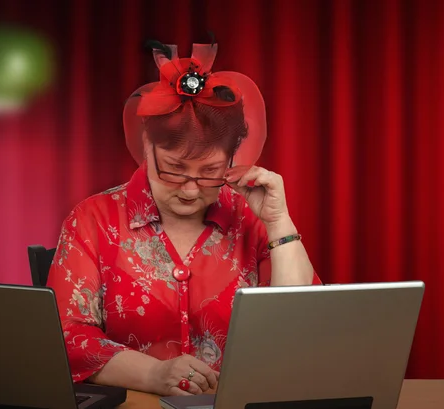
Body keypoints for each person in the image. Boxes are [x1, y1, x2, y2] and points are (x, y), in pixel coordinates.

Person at [46, 40, 322, 397]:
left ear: (232, 157)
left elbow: (304, 329)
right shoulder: (93, 219)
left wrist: (279, 221)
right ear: (148, 145)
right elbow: (65, 335)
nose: (191, 191)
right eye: (174, 170)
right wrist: (152, 375)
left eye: (209, 172)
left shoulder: (250, 218)